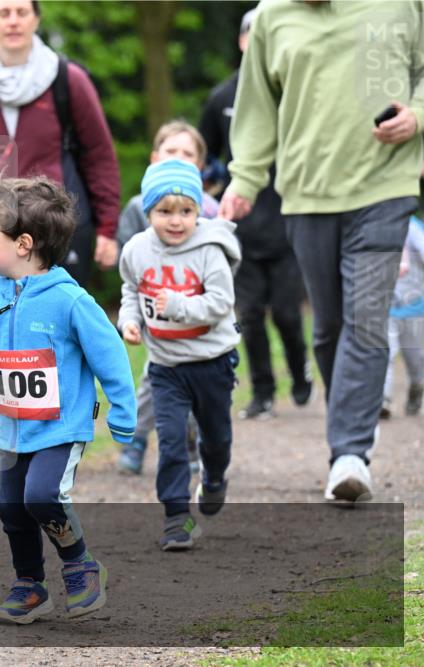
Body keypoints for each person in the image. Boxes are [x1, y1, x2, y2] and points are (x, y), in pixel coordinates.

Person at [218, 0, 422, 502]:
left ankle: (349, 453)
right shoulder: (271, 16)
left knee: (367, 319)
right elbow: (257, 106)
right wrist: (245, 177)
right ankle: (351, 419)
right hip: (307, 193)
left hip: (386, 187)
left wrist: (418, 115)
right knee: (330, 326)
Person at [0, 177, 136, 622]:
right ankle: (29, 584)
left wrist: (122, 410)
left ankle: (79, 564)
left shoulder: (70, 301)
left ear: (23, 243)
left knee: (42, 496)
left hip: (60, 428)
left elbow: (110, 356)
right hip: (11, 429)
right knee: (10, 505)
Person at [0, 0, 122, 282]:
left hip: (59, 226)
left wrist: (107, 229)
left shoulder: (68, 80)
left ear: (36, 19)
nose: (13, 21)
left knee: (61, 319)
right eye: (4, 13)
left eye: (22, 12)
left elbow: (99, 155)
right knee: (5, 320)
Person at [118, 160, 240, 550]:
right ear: (148, 211)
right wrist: (129, 321)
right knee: (170, 440)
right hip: (166, 365)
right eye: (164, 211)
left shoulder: (209, 249)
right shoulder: (138, 249)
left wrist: (177, 306)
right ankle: (176, 517)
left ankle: (215, 478)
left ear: (198, 210)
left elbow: (222, 302)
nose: (176, 221)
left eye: (185, 211)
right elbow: (131, 290)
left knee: (216, 437)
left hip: (212, 362)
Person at [199, 8, 311, 422]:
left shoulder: (294, 92)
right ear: (244, 41)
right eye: (249, 35)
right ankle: (262, 392)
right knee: (248, 315)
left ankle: (300, 372)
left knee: (285, 312)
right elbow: (205, 157)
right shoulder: (222, 98)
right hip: (240, 224)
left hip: (289, 220)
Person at [115, 120, 218, 475]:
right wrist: (133, 316)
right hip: (154, 312)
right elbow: (127, 264)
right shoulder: (137, 207)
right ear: (154, 157)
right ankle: (137, 437)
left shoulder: (212, 210)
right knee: (155, 377)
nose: (179, 158)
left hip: (197, 315)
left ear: (201, 166)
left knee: (195, 381)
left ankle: (193, 443)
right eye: (171, 152)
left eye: (188, 154)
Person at [381, 212, 424, 419]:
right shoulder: (377, 225)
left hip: (413, 306)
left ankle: (417, 387)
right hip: (386, 305)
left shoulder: (414, 228)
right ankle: (383, 399)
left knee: (415, 358)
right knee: (386, 352)